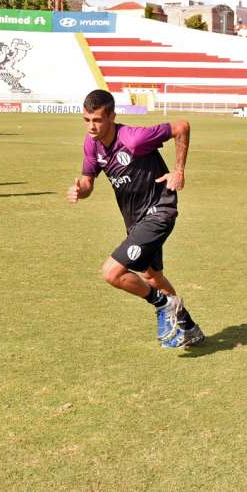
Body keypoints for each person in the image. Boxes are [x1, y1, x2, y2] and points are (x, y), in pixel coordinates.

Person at [66, 89, 204, 349]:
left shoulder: (134, 139)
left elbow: (181, 126)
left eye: (97, 120)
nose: (91, 126)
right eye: (86, 120)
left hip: (160, 211)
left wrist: (179, 170)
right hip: (135, 219)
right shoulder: (91, 143)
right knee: (152, 277)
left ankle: (165, 304)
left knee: (112, 273)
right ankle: (189, 328)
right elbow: (88, 180)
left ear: (112, 117)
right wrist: (80, 190)